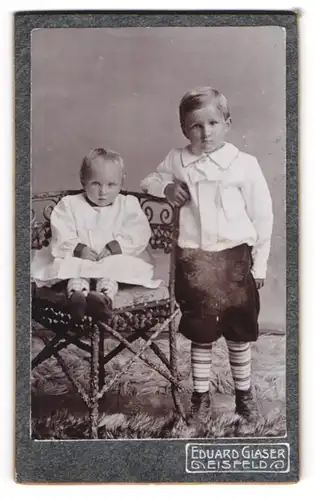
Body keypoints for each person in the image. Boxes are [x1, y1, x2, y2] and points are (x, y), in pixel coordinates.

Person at [141, 86, 273, 423]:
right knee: (201, 334)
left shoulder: (244, 164)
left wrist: (260, 265)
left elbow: (262, 217)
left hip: (235, 260)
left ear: (228, 123)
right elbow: (149, 181)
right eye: (196, 126)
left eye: (213, 123)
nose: (205, 132)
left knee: (238, 333)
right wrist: (165, 188)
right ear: (184, 129)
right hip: (195, 262)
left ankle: (244, 396)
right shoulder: (177, 159)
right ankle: (200, 396)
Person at [43, 147, 152, 322]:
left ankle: (102, 298)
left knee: (111, 272)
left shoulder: (127, 205)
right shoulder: (70, 204)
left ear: (121, 181)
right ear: (83, 180)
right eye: (95, 184)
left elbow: (138, 233)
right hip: (80, 257)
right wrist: (79, 249)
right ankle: (76, 297)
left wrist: (115, 247)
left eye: (111, 184)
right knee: (76, 271)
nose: (103, 191)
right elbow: (62, 232)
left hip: (113, 257)